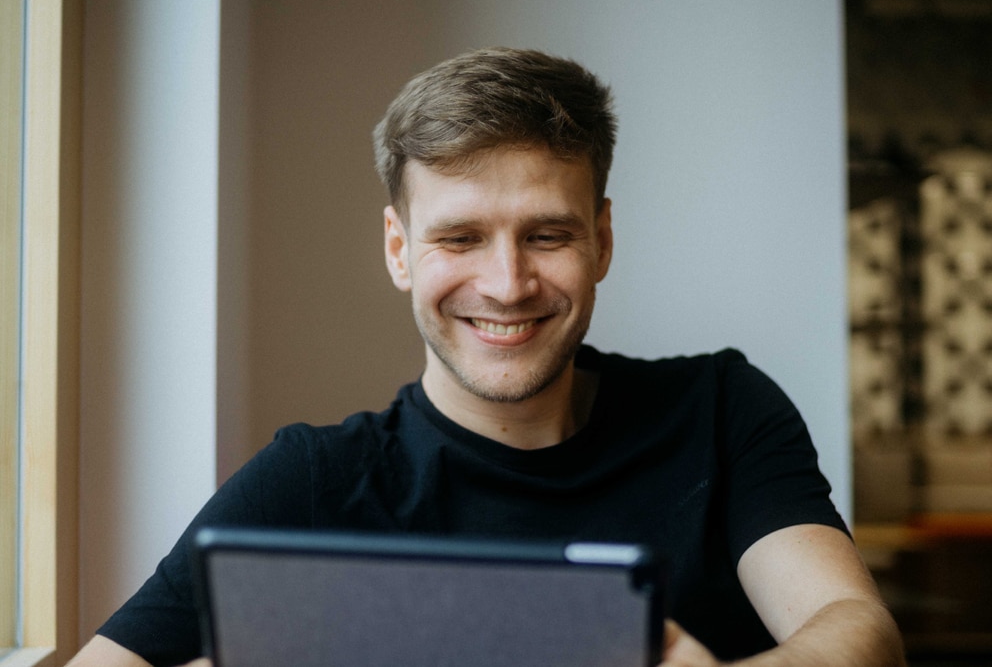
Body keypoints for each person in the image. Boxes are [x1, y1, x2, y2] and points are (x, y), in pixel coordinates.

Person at [68, 47, 905, 667]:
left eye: (546, 235)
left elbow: (856, 628)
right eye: (459, 238)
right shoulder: (317, 477)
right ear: (399, 250)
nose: (506, 285)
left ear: (602, 239)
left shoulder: (722, 408)